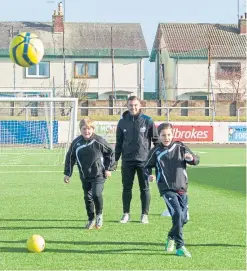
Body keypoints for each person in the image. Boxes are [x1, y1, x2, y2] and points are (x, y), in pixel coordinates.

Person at [144, 122, 200, 257]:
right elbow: (146, 166)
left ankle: (170, 237)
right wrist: (149, 175)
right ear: (159, 136)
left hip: (182, 188)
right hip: (166, 188)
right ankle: (180, 246)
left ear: (173, 134)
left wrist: (191, 158)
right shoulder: (156, 151)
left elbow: (196, 160)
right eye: (163, 135)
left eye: (169, 134)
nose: (166, 137)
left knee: (183, 219)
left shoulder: (180, 147)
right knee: (177, 214)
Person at [64, 118, 115, 230]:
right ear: (80, 130)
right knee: (88, 197)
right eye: (84, 129)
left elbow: (111, 152)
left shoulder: (99, 141)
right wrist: (68, 173)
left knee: (96, 194)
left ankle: (99, 215)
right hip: (84, 175)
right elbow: (70, 157)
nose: (86, 131)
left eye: (89, 129)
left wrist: (108, 169)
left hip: (99, 174)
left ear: (93, 129)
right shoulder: (76, 143)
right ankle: (91, 219)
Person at [115, 96, 159, 224]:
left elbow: (156, 142)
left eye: (135, 105)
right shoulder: (122, 122)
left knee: (144, 188)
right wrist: (115, 160)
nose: (133, 107)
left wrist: (156, 160)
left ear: (140, 106)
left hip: (144, 161)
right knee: (126, 188)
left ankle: (144, 214)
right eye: (130, 105)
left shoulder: (148, 121)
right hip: (127, 161)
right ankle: (126, 214)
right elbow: (119, 143)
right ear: (127, 106)